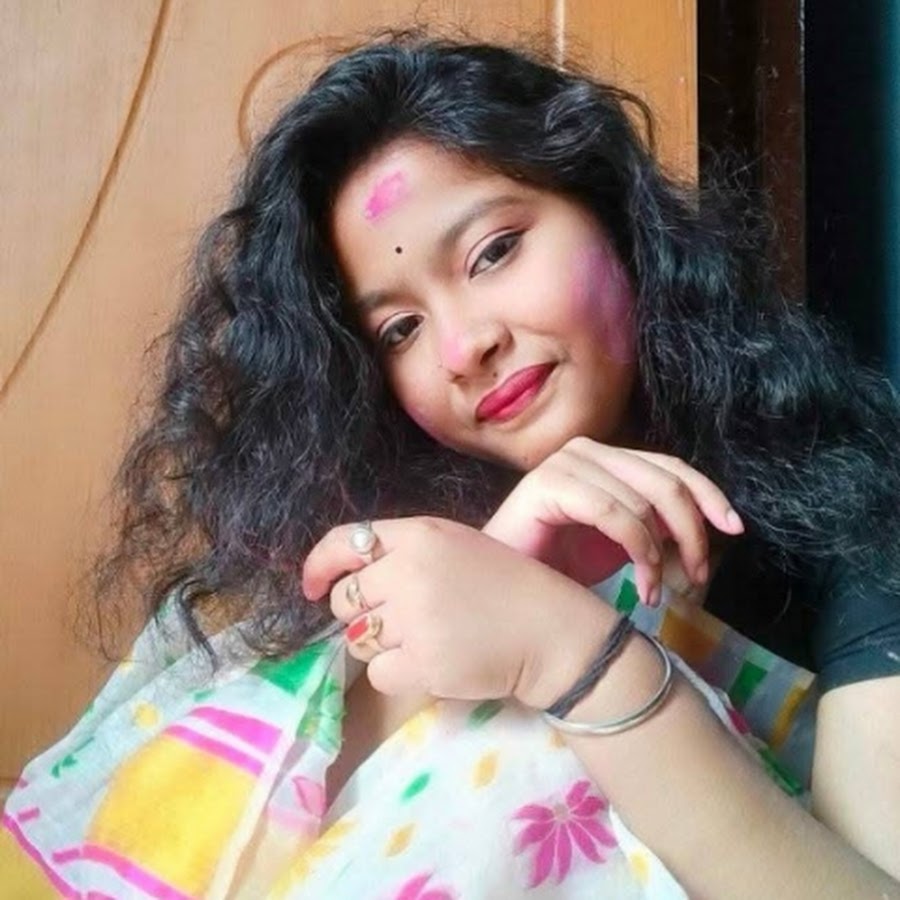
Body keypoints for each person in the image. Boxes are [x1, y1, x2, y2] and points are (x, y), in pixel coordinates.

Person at [3, 31, 900, 899]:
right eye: (399, 330)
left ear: (614, 214)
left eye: (494, 252)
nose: (465, 348)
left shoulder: (854, 505)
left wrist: (574, 655)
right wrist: (485, 580)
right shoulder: (360, 544)